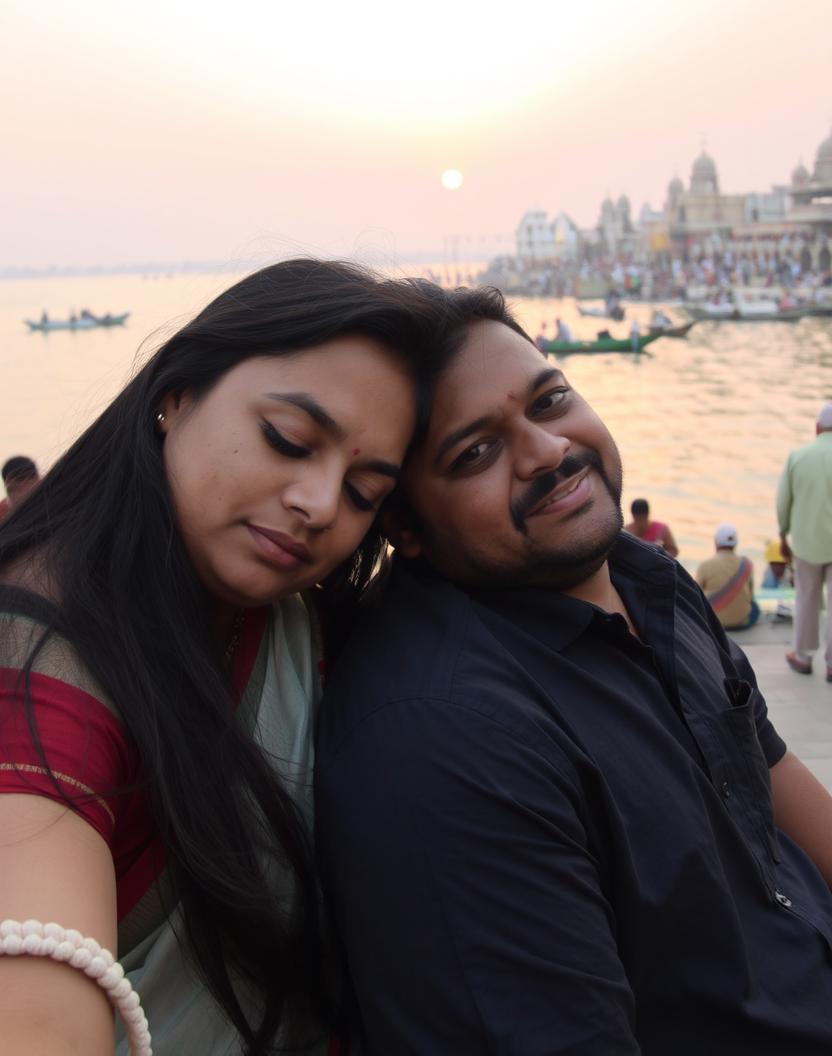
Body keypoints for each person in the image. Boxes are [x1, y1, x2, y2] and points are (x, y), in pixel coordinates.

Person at [316, 288, 832, 1056]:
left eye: (550, 400)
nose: (549, 451)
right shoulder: (448, 739)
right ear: (404, 527)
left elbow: (775, 779)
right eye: (477, 452)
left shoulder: (644, 576)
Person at [0, 258, 453, 1056]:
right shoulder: (40, 673)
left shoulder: (287, 614)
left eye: (363, 492)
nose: (318, 504)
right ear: (176, 395)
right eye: (287, 439)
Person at [777, 401, 832, 679]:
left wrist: (783, 534)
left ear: (817, 428)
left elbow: (783, 501)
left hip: (807, 542)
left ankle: (802, 656)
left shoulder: (798, 457)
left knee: (806, 598)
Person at [695, 522, 760, 630]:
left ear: (716, 543)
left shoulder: (705, 565)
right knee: (755, 608)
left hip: (713, 624)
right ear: (736, 543)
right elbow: (750, 596)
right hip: (742, 622)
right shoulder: (747, 564)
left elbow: (695, 596)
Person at [0, 455, 40, 522]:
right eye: (20, 479)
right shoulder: (2, 512)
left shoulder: (53, 498)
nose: (27, 483)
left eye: (31, 476)